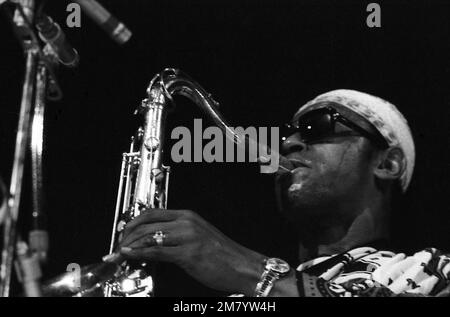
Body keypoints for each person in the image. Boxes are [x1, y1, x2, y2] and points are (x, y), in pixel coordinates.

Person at [112, 89, 450, 297]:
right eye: (287, 134)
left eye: (317, 126)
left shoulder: (432, 271)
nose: (288, 143)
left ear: (388, 164)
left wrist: (250, 270)